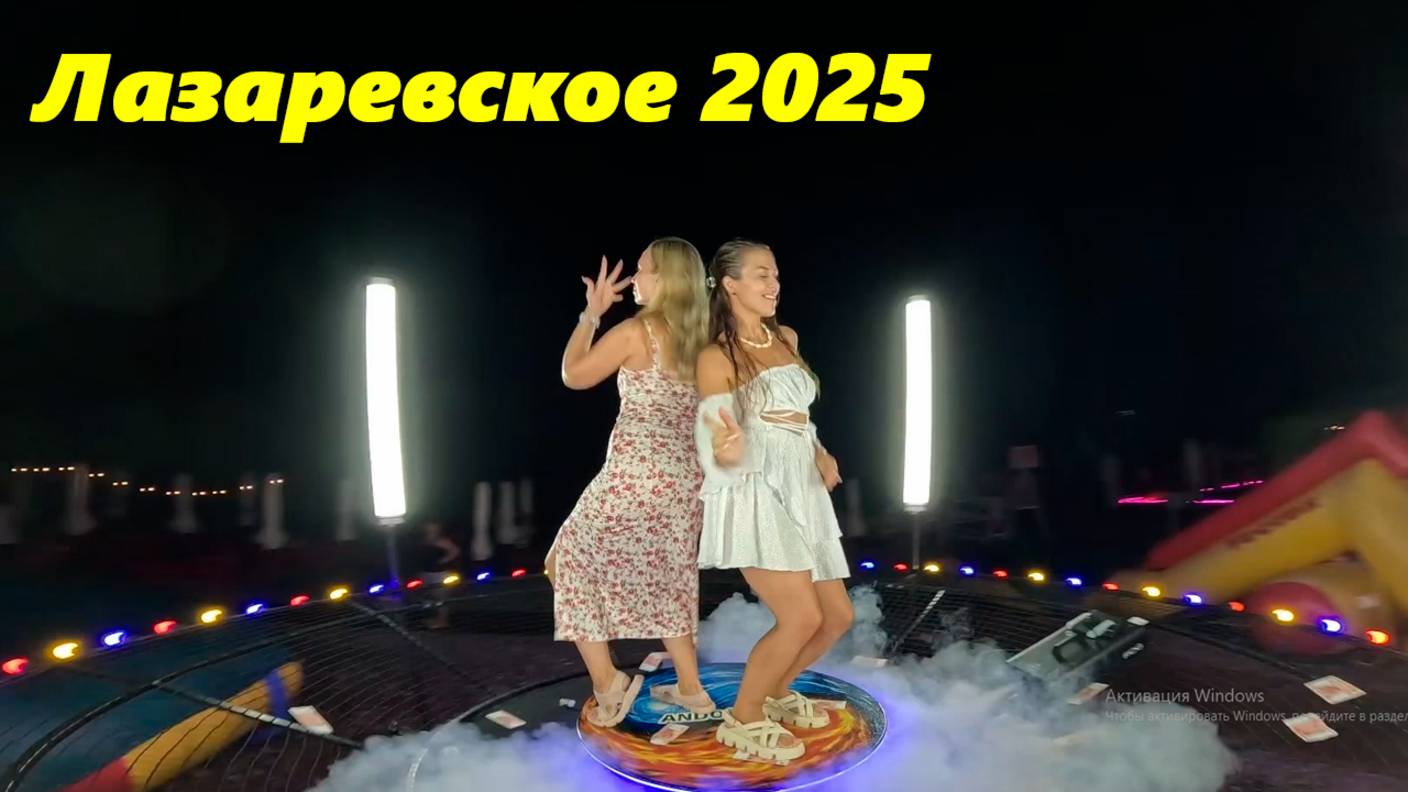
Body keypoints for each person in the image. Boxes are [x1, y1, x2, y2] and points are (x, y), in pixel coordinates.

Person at [545, 237, 717, 727]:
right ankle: (692, 691)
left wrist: (591, 314)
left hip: (635, 473)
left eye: (642, 270)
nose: (635, 279)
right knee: (670, 577)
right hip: (687, 479)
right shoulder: (704, 339)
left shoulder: (638, 331)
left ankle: (609, 684)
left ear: (665, 279)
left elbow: (574, 375)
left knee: (564, 559)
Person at [695, 239, 853, 763]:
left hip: (802, 486)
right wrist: (724, 445)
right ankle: (743, 718)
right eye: (761, 274)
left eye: (776, 274)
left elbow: (800, 419)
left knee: (836, 617)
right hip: (755, 490)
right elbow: (713, 431)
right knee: (800, 617)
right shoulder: (716, 356)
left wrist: (821, 451)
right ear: (731, 284)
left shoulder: (786, 337)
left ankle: (775, 691)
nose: (774, 284)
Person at [416, 520, 461, 629]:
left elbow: (455, 551)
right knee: (430, 597)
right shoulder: (424, 541)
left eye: (434, 528)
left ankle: (443, 621)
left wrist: (444, 560)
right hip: (426, 573)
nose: (431, 530)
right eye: (429, 528)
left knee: (441, 598)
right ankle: (436, 619)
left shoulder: (442, 541)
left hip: (439, 573)